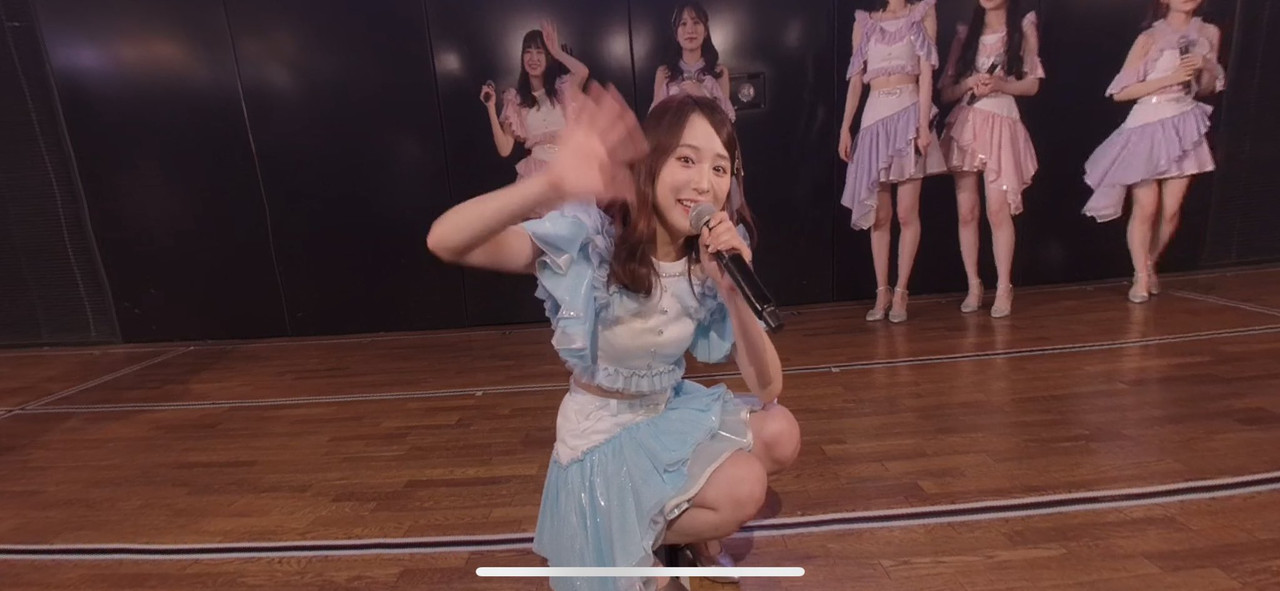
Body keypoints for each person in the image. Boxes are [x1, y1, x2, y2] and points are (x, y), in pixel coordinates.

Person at [428, 87, 801, 591]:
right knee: (742, 486)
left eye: (719, 167)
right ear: (651, 162)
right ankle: (628, 537)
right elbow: (445, 240)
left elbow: (768, 387)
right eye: (686, 159)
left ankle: (671, 533)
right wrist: (550, 185)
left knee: (780, 432)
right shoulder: (594, 239)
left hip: (664, 412)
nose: (703, 183)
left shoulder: (711, 256)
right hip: (603, 437)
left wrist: (733, 292)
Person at [1081, 0, 1224, 303]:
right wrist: (1170, 78)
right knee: (1146, 207)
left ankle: (1148, 264)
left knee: (1171, 210)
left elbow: (1206, 88)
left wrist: (1206, 65)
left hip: (1184, 121)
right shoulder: (1149, 37)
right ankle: (1141, 276)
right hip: (1147, 123)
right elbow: (1120, 92)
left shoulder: (1209, 33)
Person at [838, 0, 946, 324]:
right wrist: (845, 127)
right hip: (874, 120)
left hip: (908, 115)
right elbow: (855, 79)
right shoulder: (865, 21)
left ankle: (901, 292)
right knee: (880, 215)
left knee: (906, 212)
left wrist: (923, 124)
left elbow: (926, 73)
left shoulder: (923, 12)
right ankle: (881, 291)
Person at [938, 0, 1044, 318]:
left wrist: (1001, 84)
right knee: (967, 211)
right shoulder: (966, 33)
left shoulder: (1023, 28)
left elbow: (1033, 84)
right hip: (968, 124)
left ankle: (1003, 287)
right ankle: (973, 285)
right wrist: (968, 83)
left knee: (998, 210)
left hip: (1002, 121)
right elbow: (946, 92)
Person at [480, 20, 590, 217]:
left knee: (573, 229)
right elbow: (504, 149)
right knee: (541, 232)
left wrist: (557, 52)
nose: (533, 58)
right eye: (528, 52)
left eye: (539, 52)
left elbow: (583, 72)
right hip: (536, 176)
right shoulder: (515, 100)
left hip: (568, 170)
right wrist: (490, 108)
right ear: (522, 57)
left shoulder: (562, 89)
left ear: (547, 57)